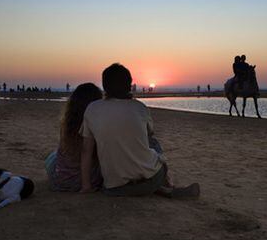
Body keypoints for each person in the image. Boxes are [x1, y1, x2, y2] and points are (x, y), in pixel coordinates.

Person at [80, 63, 200, 197]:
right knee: (153, 143)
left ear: (105, 86)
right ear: (129, 85)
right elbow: (149, 135)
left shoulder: (92, 109)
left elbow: (86, 150)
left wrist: (86, 186)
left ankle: (164, 189)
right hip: (150, 181)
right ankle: (168, 187)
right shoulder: (139, 108)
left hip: (115, 189)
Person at [45, 83, 103, 191]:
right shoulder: (96, 123)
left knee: (52, 157)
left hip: (61, 181)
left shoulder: (67, 124)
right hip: (90, 180)